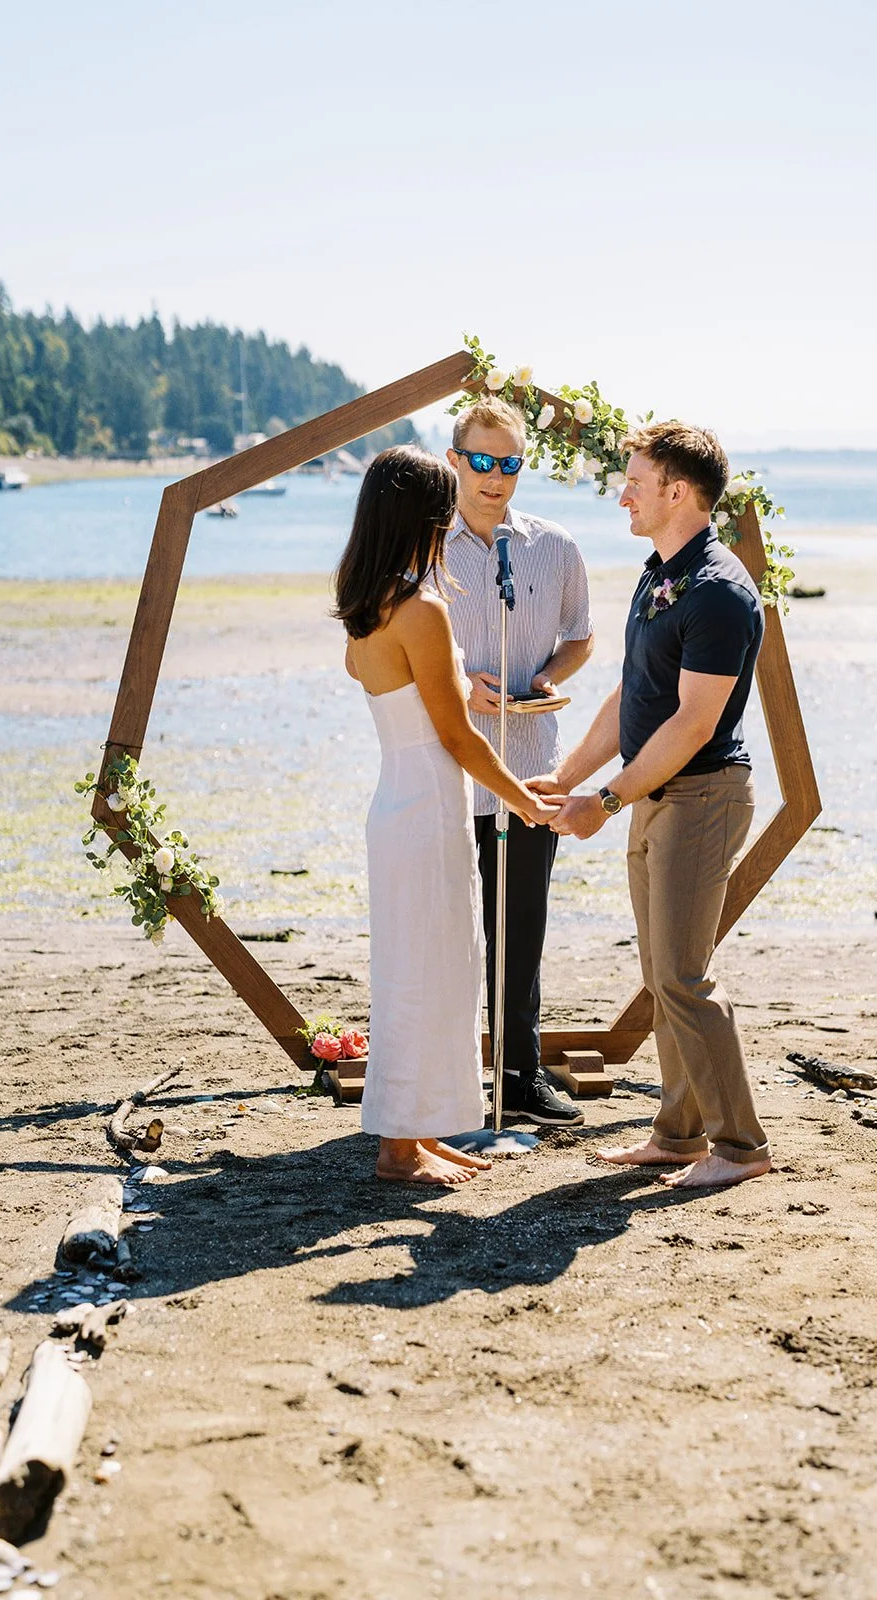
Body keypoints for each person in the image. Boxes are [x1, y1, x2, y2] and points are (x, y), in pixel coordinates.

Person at [535, 422, 771, 1190]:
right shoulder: (657, 574)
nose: (621, 492)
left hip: (701, 795)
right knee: (662, 972)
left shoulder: (719, 591)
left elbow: (693, 723)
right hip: (655, 796)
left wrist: (603, 799)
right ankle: (676, 1134)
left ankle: (739, 1147)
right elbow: (629, 697)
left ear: (678, 491)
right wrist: (565, 775)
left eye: (634, 479)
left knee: (683, 976)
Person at [335, 445, 559, 1187]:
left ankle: (419, 1132)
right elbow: (457, 736)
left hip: (399, 800)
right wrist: (524, 796)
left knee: (425, 971)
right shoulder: (421, 609)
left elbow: (409, 703)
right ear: (426, 519)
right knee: (426, 974)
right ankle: (399, 1150)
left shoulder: (366, 607)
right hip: (428, 804)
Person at [444, 395, 594, 1127]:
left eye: (509, 463)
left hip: (533, 765)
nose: (495, 478)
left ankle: (520, 1073)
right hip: (447, 773)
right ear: (453, 461)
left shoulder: (553, 546)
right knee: (445, 927)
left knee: (521, 928)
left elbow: (581, 636)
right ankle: (440, 1077)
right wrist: (454, 685)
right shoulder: (423, 548)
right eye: (482, 461)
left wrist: (548, 680)